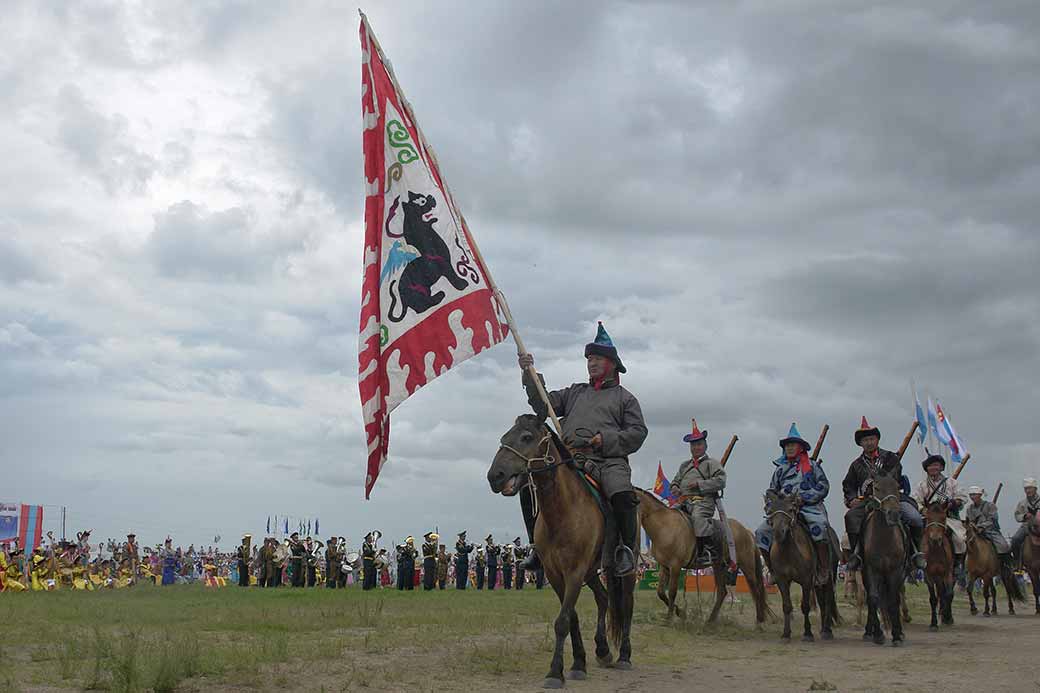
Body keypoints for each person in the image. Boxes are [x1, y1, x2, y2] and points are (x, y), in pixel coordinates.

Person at [518, 321, 648, 577]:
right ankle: (538, 546)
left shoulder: (626, 399)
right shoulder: (575, 392)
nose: (592, 363)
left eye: (598, 358)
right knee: (530, 487)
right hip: (570, 459)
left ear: (611, 364)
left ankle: (624, 551)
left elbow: (637, 433)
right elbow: (544, 406)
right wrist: (529, 374)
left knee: (621, 493)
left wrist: (605, 439)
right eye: (589, 359)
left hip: (608, 461)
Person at [842, 417, 925, 571]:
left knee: (915, 518)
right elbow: (849, 485)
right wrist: (852, 499)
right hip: (869, 501)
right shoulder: (856, 465)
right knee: (850, 517)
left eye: (871, 439)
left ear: (877, 440)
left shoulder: (891, 458)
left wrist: (882, 476)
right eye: (865, 440)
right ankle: (856, 554)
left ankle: (916, 553)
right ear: (861, 443)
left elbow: (896, 476)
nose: (869, 442)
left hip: (892, 498)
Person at [755, 423, 832, 583]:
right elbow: (771, 491)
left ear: (801, 447)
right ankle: (772, 569)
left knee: (820, 525)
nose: (789, 448)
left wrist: (805, 497)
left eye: (792, 445)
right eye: (787, 445)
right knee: (761, 532)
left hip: (809, 507)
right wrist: (773, 505)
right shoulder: (780, 469)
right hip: (784, 510)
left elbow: (823, 486)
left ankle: (823, 568)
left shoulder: (812, 466)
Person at [671, 418, 730, 569]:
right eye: (693, 445)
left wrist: (700, 484)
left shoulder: (712, 464)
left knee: (698, 518)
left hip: (703, 501)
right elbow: (674, 482)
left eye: (699, 444)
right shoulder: (685, 465)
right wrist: (675, 488)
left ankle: (707, 551)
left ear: (705, 445)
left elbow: (721, 481)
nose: (696, 447)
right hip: (684, 501)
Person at [913, 454, 968, 572]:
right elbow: (916, 501)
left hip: (948, 518)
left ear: (941, 467)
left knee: (960, 539)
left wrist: (953, 503)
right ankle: (916, 560)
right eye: (930, 466)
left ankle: (957, 564)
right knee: (913, 535)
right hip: (928, 519)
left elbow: (962, 497)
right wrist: (923, 510)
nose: (933, 468)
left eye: (936, 465)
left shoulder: (952, 483)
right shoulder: (922, 485)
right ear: (926, 469)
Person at [965, 486, 1013, 571]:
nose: (972, 497)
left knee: (1003, 546)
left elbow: (992, 519)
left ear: (980, 495)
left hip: (991, 531)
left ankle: (1006, 566)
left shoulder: (990, 506)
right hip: (975, 532)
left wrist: (982, 526)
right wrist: (973, 526)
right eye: (971, 495)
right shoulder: (969, 508)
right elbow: (969, 520)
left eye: (974, 494)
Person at [1011, 478, 1040, 568]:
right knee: (1015, 539)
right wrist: (1024, 516)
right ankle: (1017, 562)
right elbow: (1017, 515)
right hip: (1026, 526)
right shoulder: (1022, 503)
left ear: (1035, 489)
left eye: (1030, 488)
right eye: (1026, 489)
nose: (1028, 491)